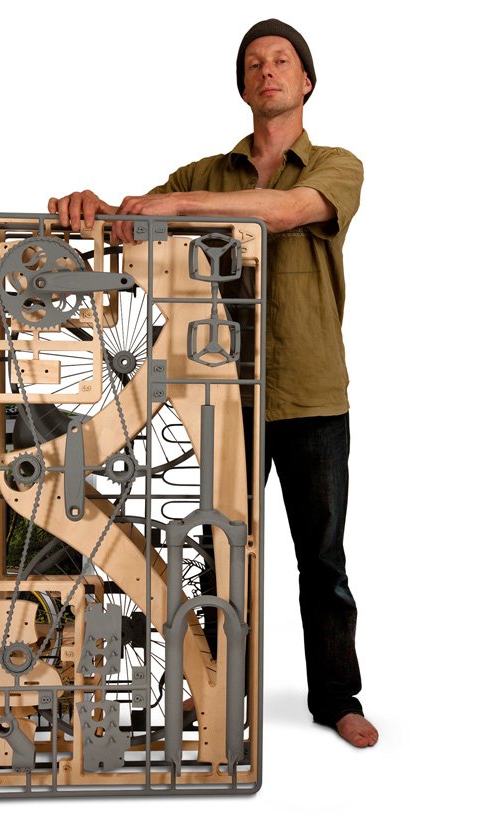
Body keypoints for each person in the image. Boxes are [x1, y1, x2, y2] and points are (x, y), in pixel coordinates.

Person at [48, 19, 378, 749]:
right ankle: (219, 698)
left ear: (307, 81)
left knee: (323, 560)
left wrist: (178, 207)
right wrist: (89, 204)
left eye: (282, 61)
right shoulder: (207, 174)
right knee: (217, 550)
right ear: (242, 87)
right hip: (219, 396)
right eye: (254, 63)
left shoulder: (336, 165)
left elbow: (289, 212)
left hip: (312, 393)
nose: (268, 71)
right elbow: (131, 220)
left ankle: (337, 699)